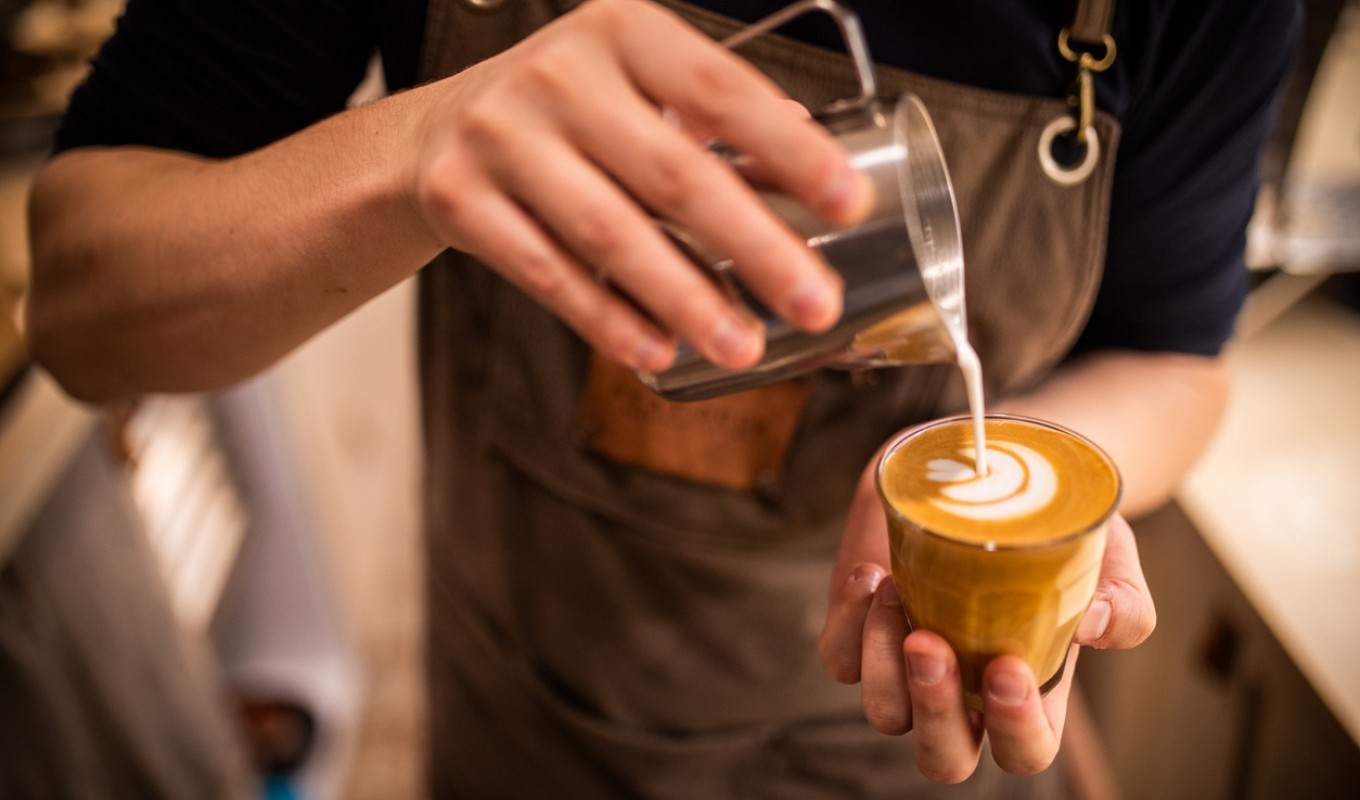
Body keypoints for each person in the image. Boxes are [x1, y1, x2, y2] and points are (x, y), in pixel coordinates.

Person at [19, 0, 1298, 796]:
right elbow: (81, 311)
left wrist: (1041, 494)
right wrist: (416, 151)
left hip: (924, 747)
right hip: (528, 719)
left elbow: (1175, 361)